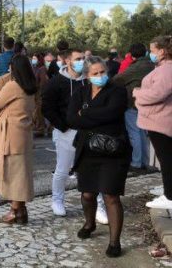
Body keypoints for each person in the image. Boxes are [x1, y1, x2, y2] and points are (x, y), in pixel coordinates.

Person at [67, 56, 130, 258]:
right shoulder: (80, 92)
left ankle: (114, 242)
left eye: (103, 72)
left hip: (113, 151)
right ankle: (90, 222)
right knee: (87, 194)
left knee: (111, 195)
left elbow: (112, 114)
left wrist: (84, 114)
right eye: (95, 73)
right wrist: (91, 116)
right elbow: (71, 119)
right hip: (87, 150)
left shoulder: (117, 90)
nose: (101, 76)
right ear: (87, 76)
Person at [0, 55, 38, 224]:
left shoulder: (13, 85)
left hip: (10, 136)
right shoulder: (30, 85)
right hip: (23, 134)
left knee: (14, 175)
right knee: (21, 173)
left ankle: (14, 211)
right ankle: (22, 210)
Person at [42, 48, 87, 218]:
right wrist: (63, 126)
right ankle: (57, 200)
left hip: (87, 130)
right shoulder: (56, 82)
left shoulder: (88, 81)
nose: (81, 61)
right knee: (63, 169)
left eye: (83, 58)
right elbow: (47, 107)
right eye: (78, 58)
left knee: (89, 169)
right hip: (66, 131)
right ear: (67, 61)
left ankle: (95, 204)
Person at [136, 36, 172, 210]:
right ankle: (168, 192)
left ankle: (170, 196)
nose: (151, 54)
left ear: (162, 51)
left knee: (166, 160)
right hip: (161, 119)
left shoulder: (166, 70)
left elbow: (157, 94)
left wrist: (137, 94)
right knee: (166, 159)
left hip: (161, 121)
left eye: (152, 51)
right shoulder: (164, 68)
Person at [113, 43, 155, 172]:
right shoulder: (151, 65)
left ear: (131, 55)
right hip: (147, 103)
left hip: (133, 103)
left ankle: (136, 162)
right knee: (143, 133)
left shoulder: (136, 67)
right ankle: (145, 162)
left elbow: (117, 79)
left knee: (134, 133)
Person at [32, 53, 49, 137]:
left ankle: (41, 128)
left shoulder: (41, 69)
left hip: (40, 92)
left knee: (39, 111)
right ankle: (40, 127)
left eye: (35, 58)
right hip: (36, 93)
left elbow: (42, 82)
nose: (33, 60)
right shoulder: (35, 68)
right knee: (37, 111)